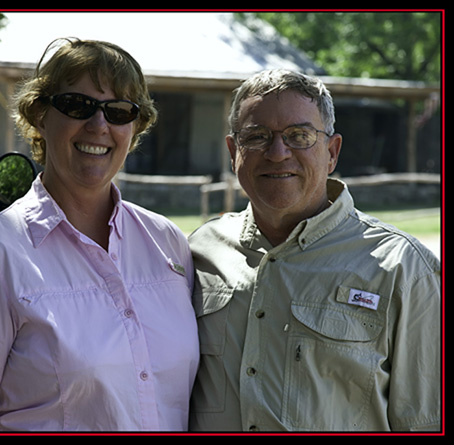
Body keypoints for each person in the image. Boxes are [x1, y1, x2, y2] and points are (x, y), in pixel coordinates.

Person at [0, 38, 199, 432]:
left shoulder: (168, 243)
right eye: (77, 106)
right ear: (40, 114)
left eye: (119, 111)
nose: (99, 126)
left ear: (136, 127)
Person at [188, 69, 441, 432]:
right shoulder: (198, 252)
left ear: (332, 152)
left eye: (299, 136)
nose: (277, 153)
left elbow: (427, 421)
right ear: (233, 151)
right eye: (257, 137)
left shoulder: (403, 269)